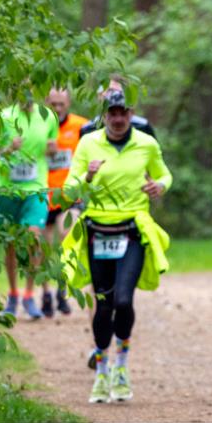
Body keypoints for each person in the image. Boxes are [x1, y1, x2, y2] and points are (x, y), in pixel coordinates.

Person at [62, 89, 172, 404]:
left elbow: (164, 174)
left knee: (124, 301)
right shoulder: (88, 143)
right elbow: (69, 188)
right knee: (104, 303)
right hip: (98, 230)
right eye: (113, 113)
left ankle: (121, 366)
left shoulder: (146, 143)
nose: (119, 118)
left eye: (123, 112)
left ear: (131, 112)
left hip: (132, 230)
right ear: (104, 115)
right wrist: (87, 175)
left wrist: (159, 186)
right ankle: (101, 371)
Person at [0, 90, 59, 320]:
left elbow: (51, 147)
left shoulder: (48, 116)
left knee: (34, 238)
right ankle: (13, 294)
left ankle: (29, 294)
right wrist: (7, 150)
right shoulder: (3, 117)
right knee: (10, 244)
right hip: (8, 190)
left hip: (36, 189)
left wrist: (51, 149)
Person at [41, 88, 89, 317]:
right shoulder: (36, 127)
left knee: (67, 235)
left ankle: (63, 287)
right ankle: (45, 293)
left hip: (68, 196)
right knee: (40, 247)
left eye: (61, 104)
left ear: (68, 103)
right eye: (53, 104)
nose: (57, 108)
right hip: (41, 195)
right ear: (46, 103)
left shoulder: (81, 126)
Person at [79, 76, 157, 140]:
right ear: (99, 95)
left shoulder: (142, 126)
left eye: (119, 92)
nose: (115, 97)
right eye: (110, 91)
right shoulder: (88, 129)